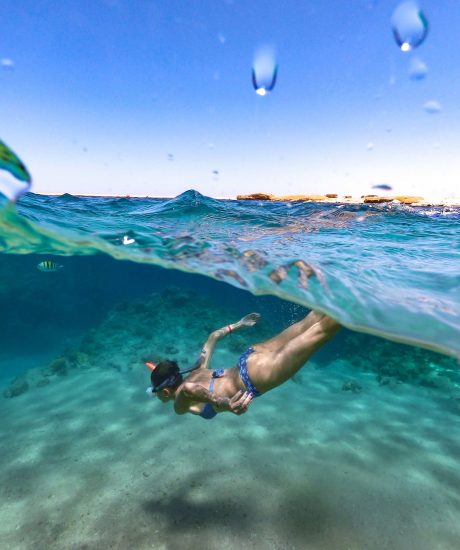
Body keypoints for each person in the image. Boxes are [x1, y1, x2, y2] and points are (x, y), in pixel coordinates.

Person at [145, 310, 341, 419]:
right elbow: (213, 337)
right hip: (249, 357)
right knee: (312, 320)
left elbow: (188, 389)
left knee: (322, 331)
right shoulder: (198, 368)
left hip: (255, 377)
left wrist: (222, 402)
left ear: (165, 392)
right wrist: (240, 324)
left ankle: (361, 298)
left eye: (155, 392)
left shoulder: (180, 404)